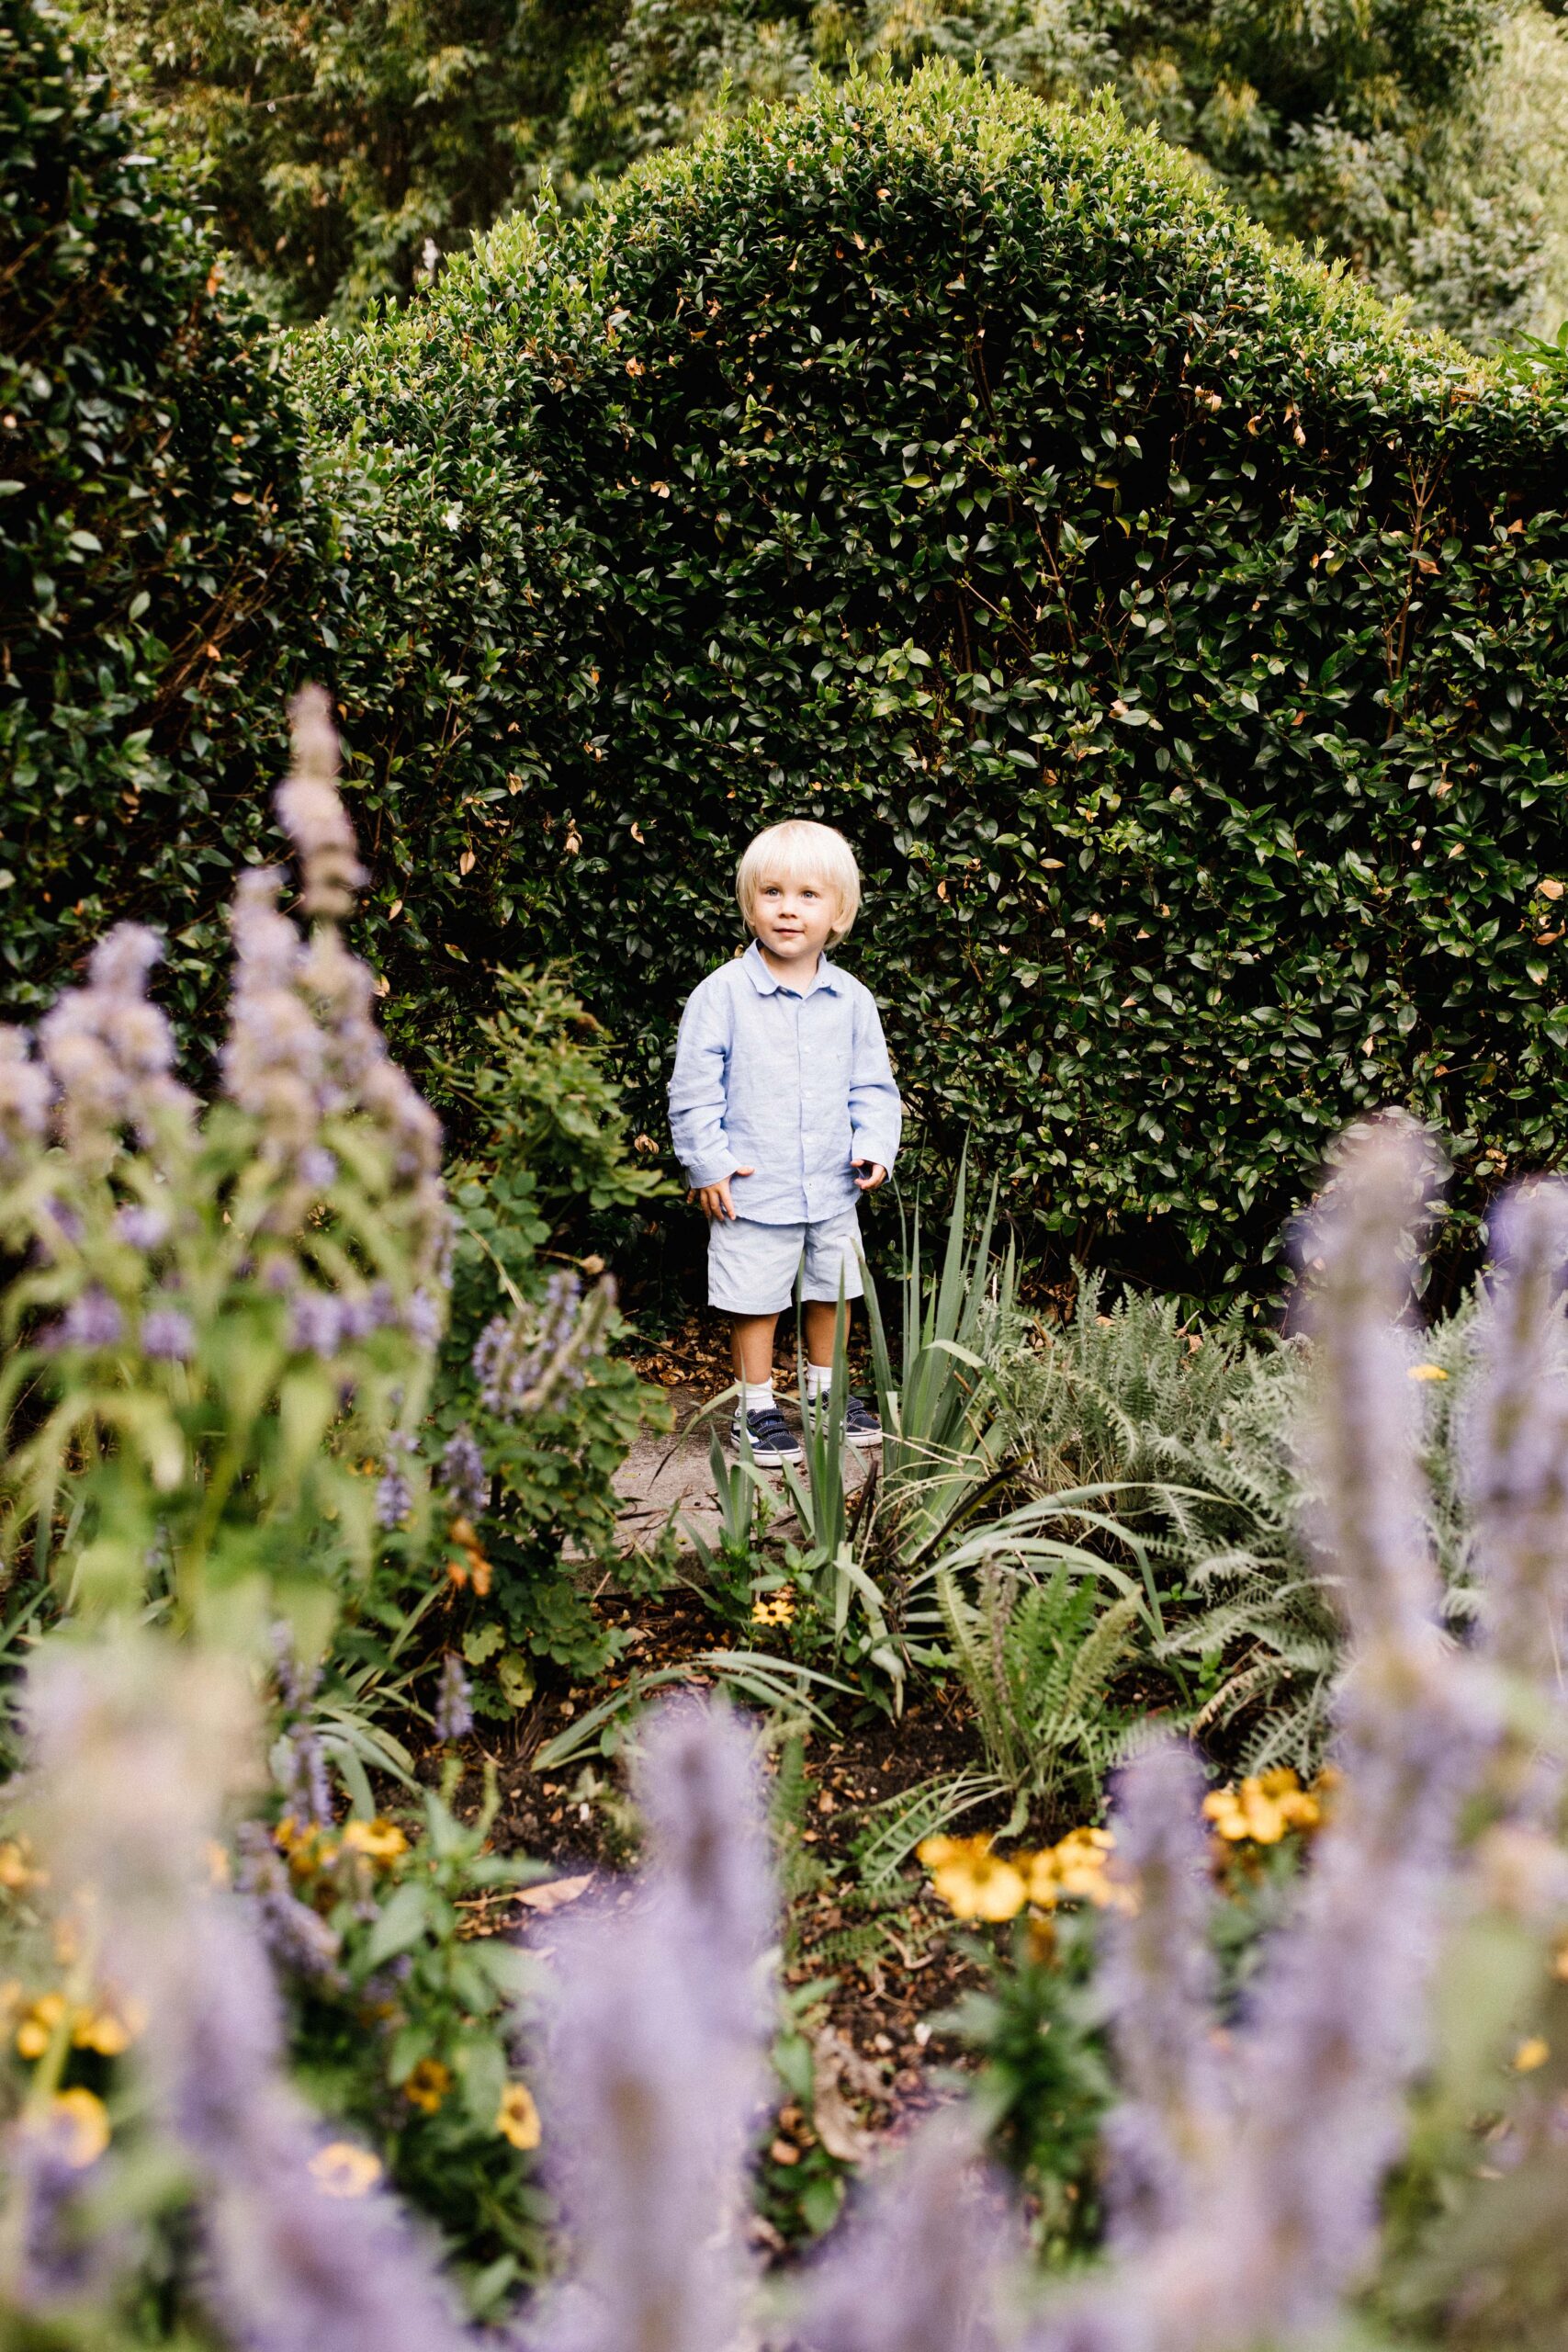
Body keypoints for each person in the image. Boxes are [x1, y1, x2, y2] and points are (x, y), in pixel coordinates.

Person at [667, 818, 902, 1465]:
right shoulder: (721, 996)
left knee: (833, 1289)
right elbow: (693, 1091)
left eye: (807, 896)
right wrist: (706, 1164)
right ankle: (755, 1407)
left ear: (838, 911)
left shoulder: (851, 1001)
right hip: (749, 1184)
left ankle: (827, 1396)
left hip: (830, 1184)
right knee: (755, 1298)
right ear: (749, 905)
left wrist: (875, 1147)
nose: (788, 910)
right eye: (771, 893)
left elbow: (873, 1086)